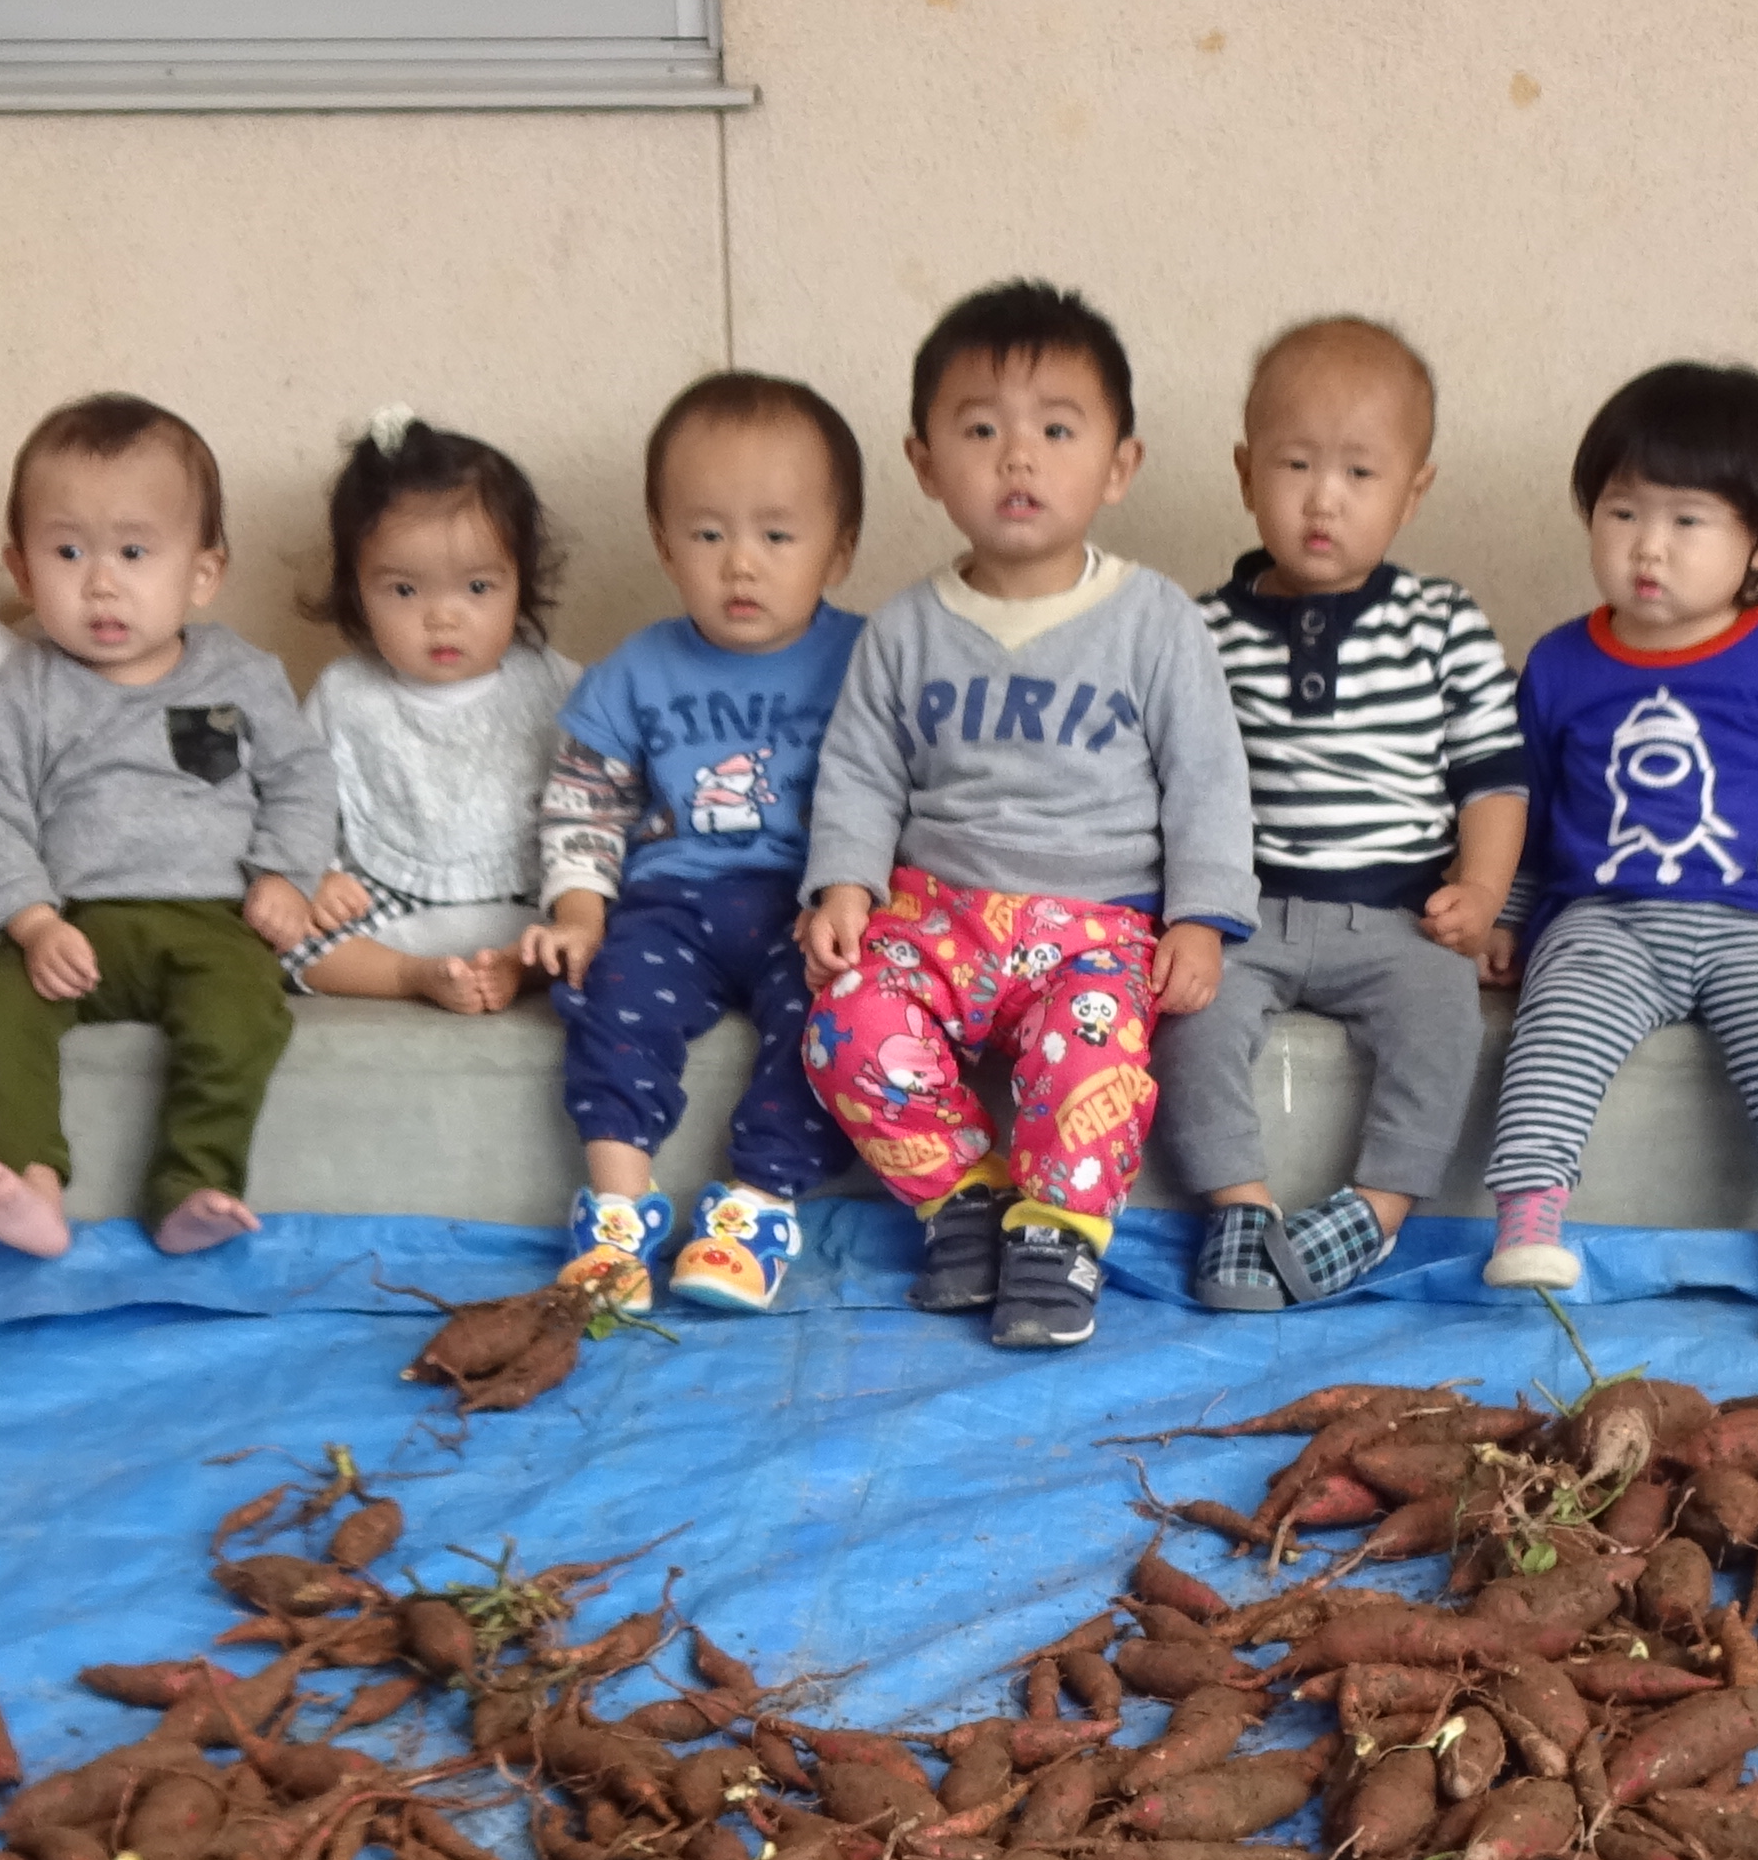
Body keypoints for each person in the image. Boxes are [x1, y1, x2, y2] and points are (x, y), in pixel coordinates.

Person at [799, 280, 1255, 1353]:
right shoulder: (906, 629)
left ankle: (1059, 1233)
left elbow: (1207, 778)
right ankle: (963, 1200)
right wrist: (845, 887)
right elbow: (861, 770)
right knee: (842, 1021)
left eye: (1057, 429)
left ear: (1117, 466)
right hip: (935, 917)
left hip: (1093, 927)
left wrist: (1202, 915)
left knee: (1091, 1061)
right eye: (981, 430)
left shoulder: (1155, 622)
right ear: (924, 463)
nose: (1019, 458)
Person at [1479, 361, 1758, 1348]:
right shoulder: (1563, 664)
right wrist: (1510, 915)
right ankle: (1530, 1218)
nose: (1647, 546)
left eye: (1687, 520)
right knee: (1555, 1027)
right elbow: (1528, 802)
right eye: (1621, 513)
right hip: (1605, 919)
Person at [1160, 314, 1526, 1312]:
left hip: (1403, 915)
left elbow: (1493, 776)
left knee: (1443, 1023)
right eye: (1295, 465)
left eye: (1361, 474)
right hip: (1248, 908)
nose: (1324, 498)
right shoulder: (1197, 629)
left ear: (1415, 490)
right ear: (1244, 474)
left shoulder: (1444, 623)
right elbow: (1172, 779)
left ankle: (1378, 1207)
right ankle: (1238, 1205)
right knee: (1191, 1013)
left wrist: (1482, 891)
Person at [0, 397, 336, 1259]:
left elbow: (302, 778)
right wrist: (32, 920)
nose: (100, 582)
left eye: (133, 551)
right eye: (67, 551)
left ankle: (193, 1183)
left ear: (201, 574)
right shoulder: (25, 690)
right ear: (19, 566)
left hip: (212, 920)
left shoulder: (241, 673)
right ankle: (27, 1183)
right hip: (74, 922)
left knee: (244, 1019)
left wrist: (285, 874)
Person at [530, 372, 869, 1315]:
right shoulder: (634, 670)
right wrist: (579, 910)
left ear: (838, 549)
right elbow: (585, 805)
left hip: (805, 907)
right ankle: (614, 1214)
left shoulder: (870, 659)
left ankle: (756, 1207)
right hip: (669, 906)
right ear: (663, 542)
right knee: (611, 1003)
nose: (741, 565)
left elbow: (903, 790)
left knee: (835, 1021)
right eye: (708, 534)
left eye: (777, 534)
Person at [286, 412, 578, 1015]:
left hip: (529, 893)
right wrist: (320, 874)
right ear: (356, 590)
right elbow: (298, 795)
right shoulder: (345, 693)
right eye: (403, 590)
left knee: (611, 921)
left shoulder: (557, 682)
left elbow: (613, 784)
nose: (442, 617)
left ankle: (516, 970)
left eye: (476, 588)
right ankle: (409, 976)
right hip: (391, 899)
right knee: (284, 934)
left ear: (519, 583)